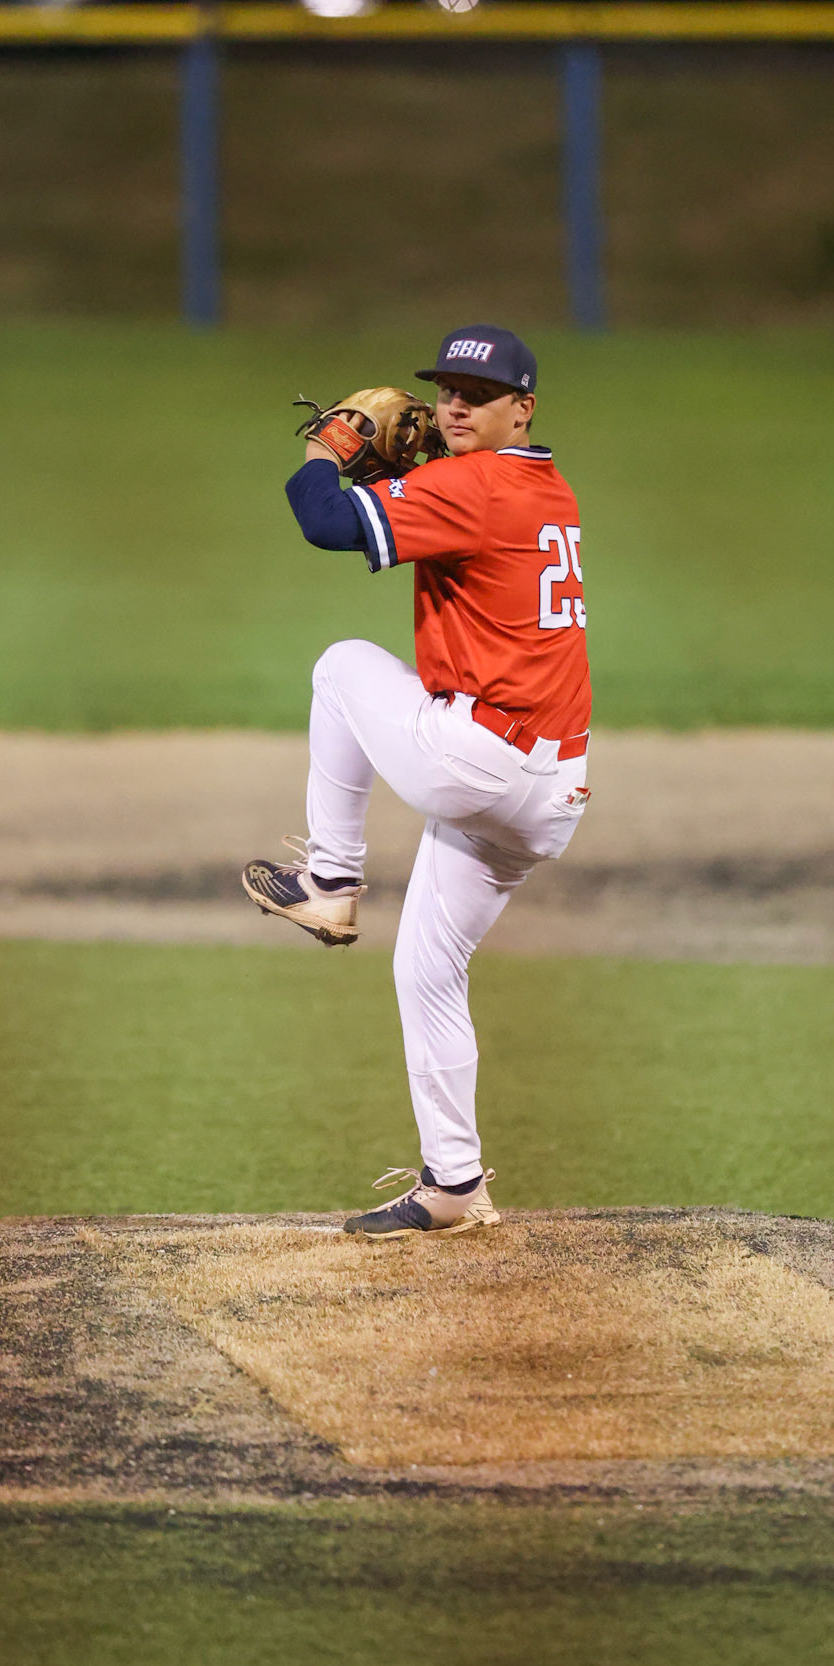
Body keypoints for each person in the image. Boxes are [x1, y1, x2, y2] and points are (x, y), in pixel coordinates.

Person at [243, 325, 591, 1241]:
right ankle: (453, 1183)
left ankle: (329, 880)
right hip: (549, 793)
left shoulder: (469, 483)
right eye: (445, 391)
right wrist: (392, 483)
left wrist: (330, 453)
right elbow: (438, 518)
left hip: (480, 761)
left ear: (524, 406)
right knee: (427, 968)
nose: (454, 407)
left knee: (341, 664)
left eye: (478, 394)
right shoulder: (547, 485)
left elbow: (321, 519)